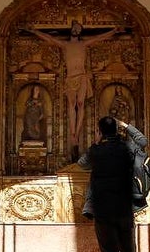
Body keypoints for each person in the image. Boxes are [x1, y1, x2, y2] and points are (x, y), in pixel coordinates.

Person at [78, 116, 150, 252]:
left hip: (103, 212)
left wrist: (97, 143)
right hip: (125, 211)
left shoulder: (97, 151)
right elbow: (143, 141)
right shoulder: (128, 148)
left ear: (100, 131)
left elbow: (82, 164)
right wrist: (127, 126)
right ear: (118, 130)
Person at [27, 22, 119, 156]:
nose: (76, 30)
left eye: (79, 28)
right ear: (71, 29)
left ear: (80, 32)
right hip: (70, 78)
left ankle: (77, 130)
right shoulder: (65, 44)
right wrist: (34, 31)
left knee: (80, 104)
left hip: (82, 77)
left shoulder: (83, 44)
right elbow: (50, 39)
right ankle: (73, 134)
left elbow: (99, 37)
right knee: (72, 104)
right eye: (75, 28)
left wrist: (114, 30)